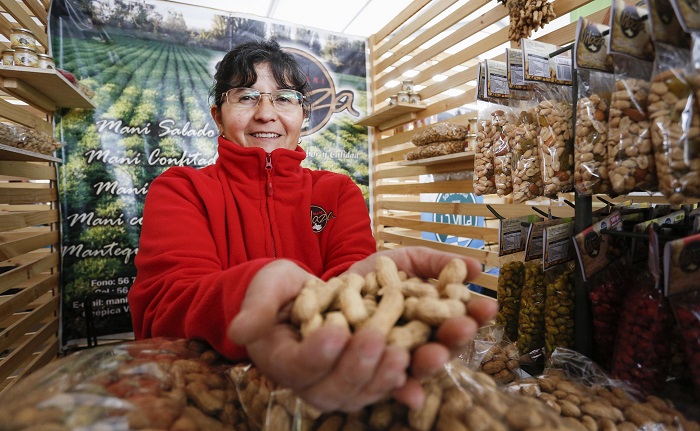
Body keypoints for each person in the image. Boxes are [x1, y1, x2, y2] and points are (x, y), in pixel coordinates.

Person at [128, 39, 497, 413]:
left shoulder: (336, 192)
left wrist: (362, 295)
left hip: (324, 405)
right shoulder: (181, 189)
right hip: (209, 404)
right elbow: (163, 304)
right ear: (218, 115)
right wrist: (254, 292)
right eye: (246, 97)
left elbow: (351, 274)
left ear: (303, 116)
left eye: (284, 98)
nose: (266, 113)